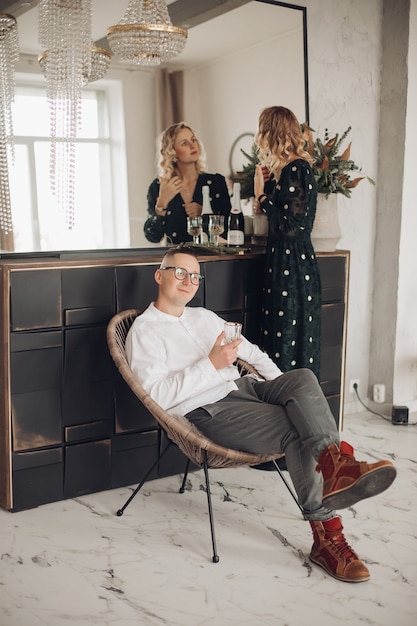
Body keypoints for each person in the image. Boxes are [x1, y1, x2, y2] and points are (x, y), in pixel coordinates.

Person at [126, 245, 397, 583]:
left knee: (304, 378)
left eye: (194, 275)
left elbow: (252, 353)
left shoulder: (205, 317)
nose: (188, 281)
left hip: (246, 389)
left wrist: (285, 390)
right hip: (208, 410)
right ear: (160, 275)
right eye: (179, 272)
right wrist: (210, 365)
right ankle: (327, 535)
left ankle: (335, 464)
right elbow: (157, 396)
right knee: (296, 429)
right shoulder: (145, 331)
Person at [253, 106, 321, 379]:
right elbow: (288, 216)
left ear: (269, 133)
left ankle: (290, 411)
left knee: (288, 344)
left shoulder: (297, 169)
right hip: (288, 266)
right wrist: (270, 190)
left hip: (292, 269)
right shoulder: (291, 171)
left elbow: (289, 227)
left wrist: (261, 196)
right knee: (284, 344)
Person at [144, 122, 231, 245]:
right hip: (175, 261)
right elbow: (153, 236)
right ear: (172, 152)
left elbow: (231, 231)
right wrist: (162, 202)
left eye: (193, 140)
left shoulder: (216, 183)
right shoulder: (159, 186)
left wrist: (204, 213)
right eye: (184, 143)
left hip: (211, 259)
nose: (192, 145)